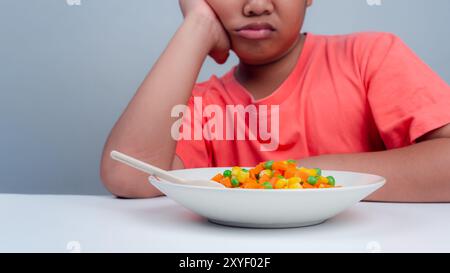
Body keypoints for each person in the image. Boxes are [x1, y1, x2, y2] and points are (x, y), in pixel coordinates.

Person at [100, 0, 450, 202]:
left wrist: (299, 175)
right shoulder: (204, 105)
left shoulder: (370, 57)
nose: (255, 5)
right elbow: (128, 176)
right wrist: (198, 27)